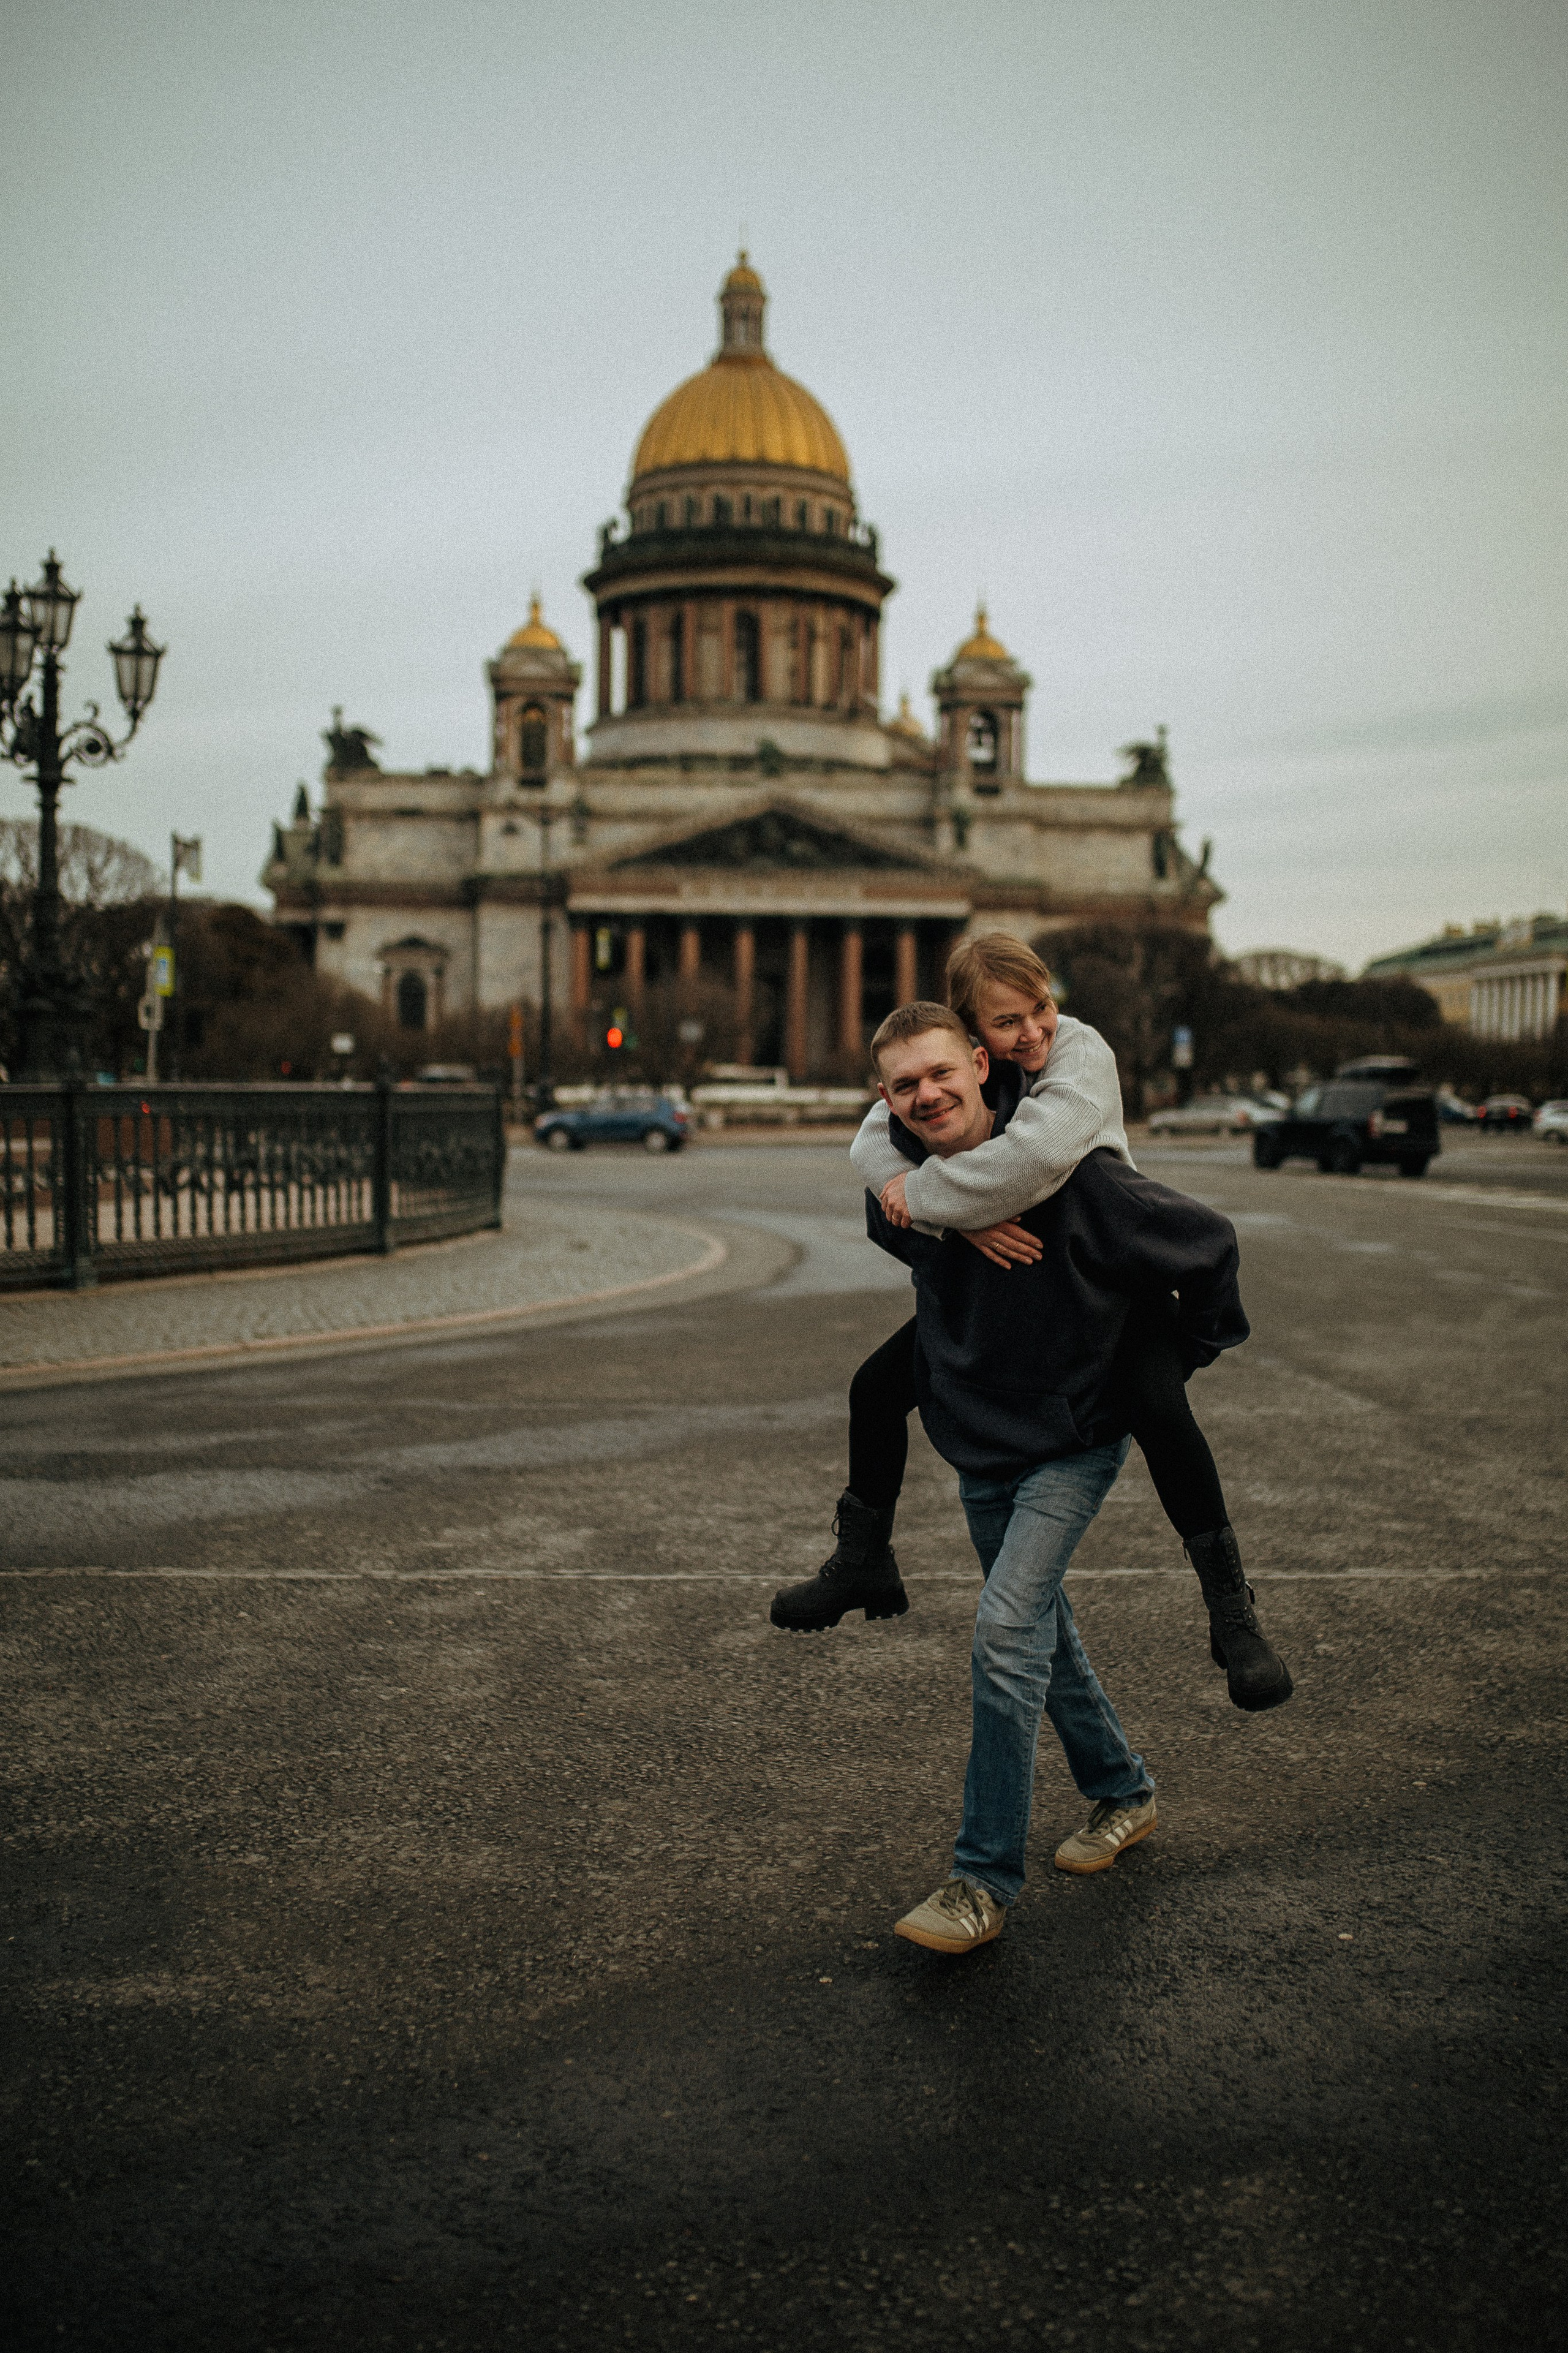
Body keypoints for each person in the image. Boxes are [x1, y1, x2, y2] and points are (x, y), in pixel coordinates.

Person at [816, 1004, 1248, 1952]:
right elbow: (900, 1219)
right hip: (982, 1437)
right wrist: (958, 1217)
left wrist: (1179, 1357)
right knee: (1039, 1629)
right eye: (904, 1085)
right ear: (884, 1100)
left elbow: (1208, 1242)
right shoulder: (908, 1186)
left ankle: (981, 1881)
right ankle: (1123, 1791)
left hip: (1074, 1438)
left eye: (941, 1074)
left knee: (1006, 1630)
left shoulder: (1079, 1177)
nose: (927, 1095)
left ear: (981, 1062)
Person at [769, 934, 1291, 1713]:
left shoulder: (1073, 1071)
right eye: (1009, 1021)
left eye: (1040, 1007)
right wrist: (952, 1216)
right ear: (976, 1039)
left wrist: (1192, 1347)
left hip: (1116, 1285)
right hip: (1017, 1296)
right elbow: (880, 1157)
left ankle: (1231, 1613)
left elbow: (1051, 1171)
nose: (1035, 1030)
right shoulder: (955, 1094)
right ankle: (862, 1557)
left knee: (1159, 1409)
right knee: (876, 1387)